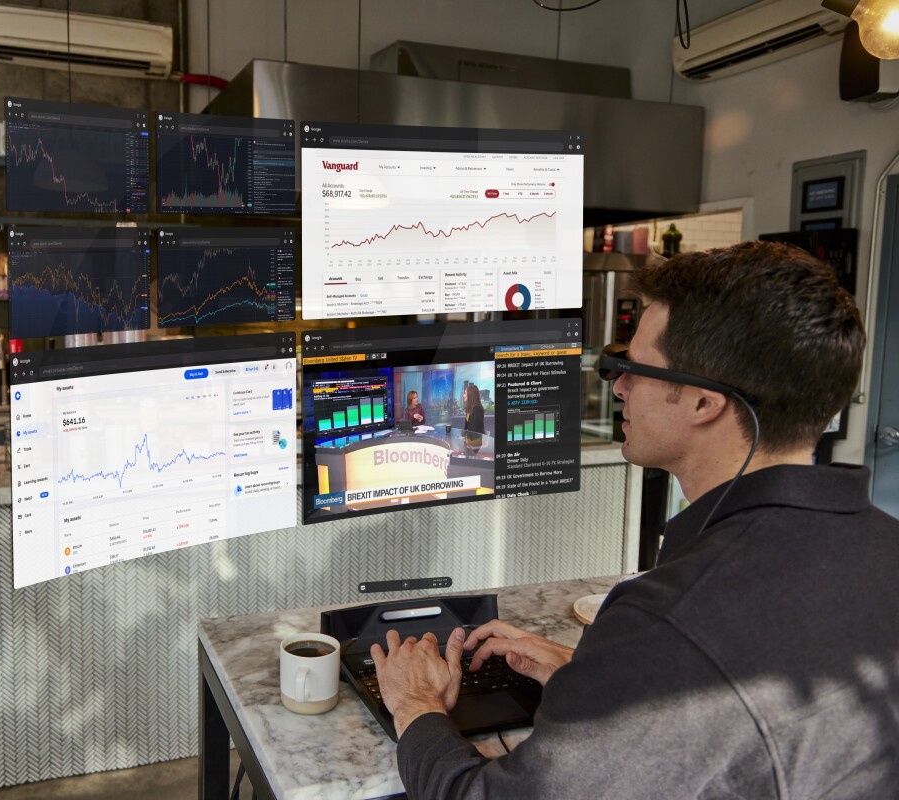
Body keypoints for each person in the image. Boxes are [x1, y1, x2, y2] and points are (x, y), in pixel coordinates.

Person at [371, 241, 899, 798]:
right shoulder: (885, 547)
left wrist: (415, 704)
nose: (617, 385)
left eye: (632, 368)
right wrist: (604, 682)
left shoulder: (669, 620)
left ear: (703, 402)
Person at [461, 382, 484, 454]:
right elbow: (467, 427)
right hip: (468, 440)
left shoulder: (478, 408)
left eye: (465, 393)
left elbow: (474, 429)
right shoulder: (469, 408)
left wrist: (465, 438)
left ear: (470, 395)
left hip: (474, 442)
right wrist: (462, 435)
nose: (463, 395)